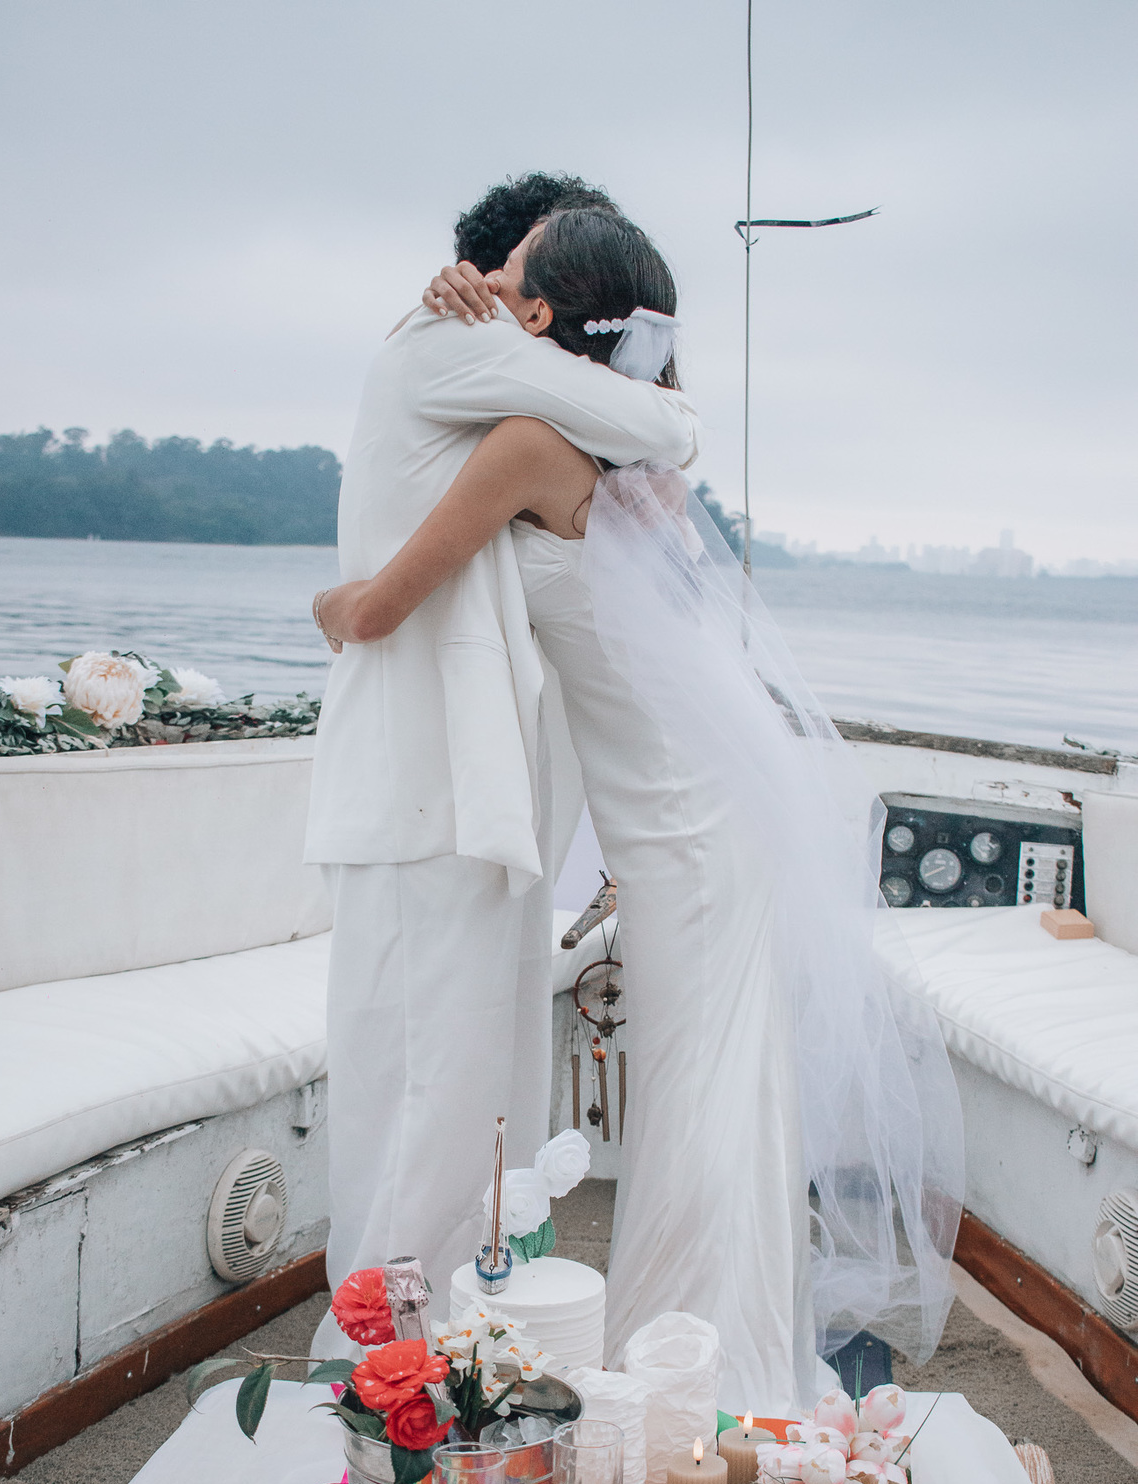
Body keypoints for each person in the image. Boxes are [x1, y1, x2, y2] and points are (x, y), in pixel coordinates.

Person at [317, 207, 964, 1412]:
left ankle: (704, 1377)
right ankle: (700, 1359)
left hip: (697, 844)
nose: (484, 283)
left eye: (510, 272)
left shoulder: (529, 444)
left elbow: (388, 598)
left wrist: (335, 605)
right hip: (687, 835)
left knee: (708, 1097)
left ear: (547, 312)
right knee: (706, 1093)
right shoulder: (624, 462)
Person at [305, 178, 700, 1360]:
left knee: (481, 1091)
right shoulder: (447, 341)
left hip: (485, 798)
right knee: (424, 1088)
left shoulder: (528, 418)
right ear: (496, 284)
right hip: (423, 786)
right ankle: (388, 1361)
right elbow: (668, 427)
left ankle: (468, 1343)